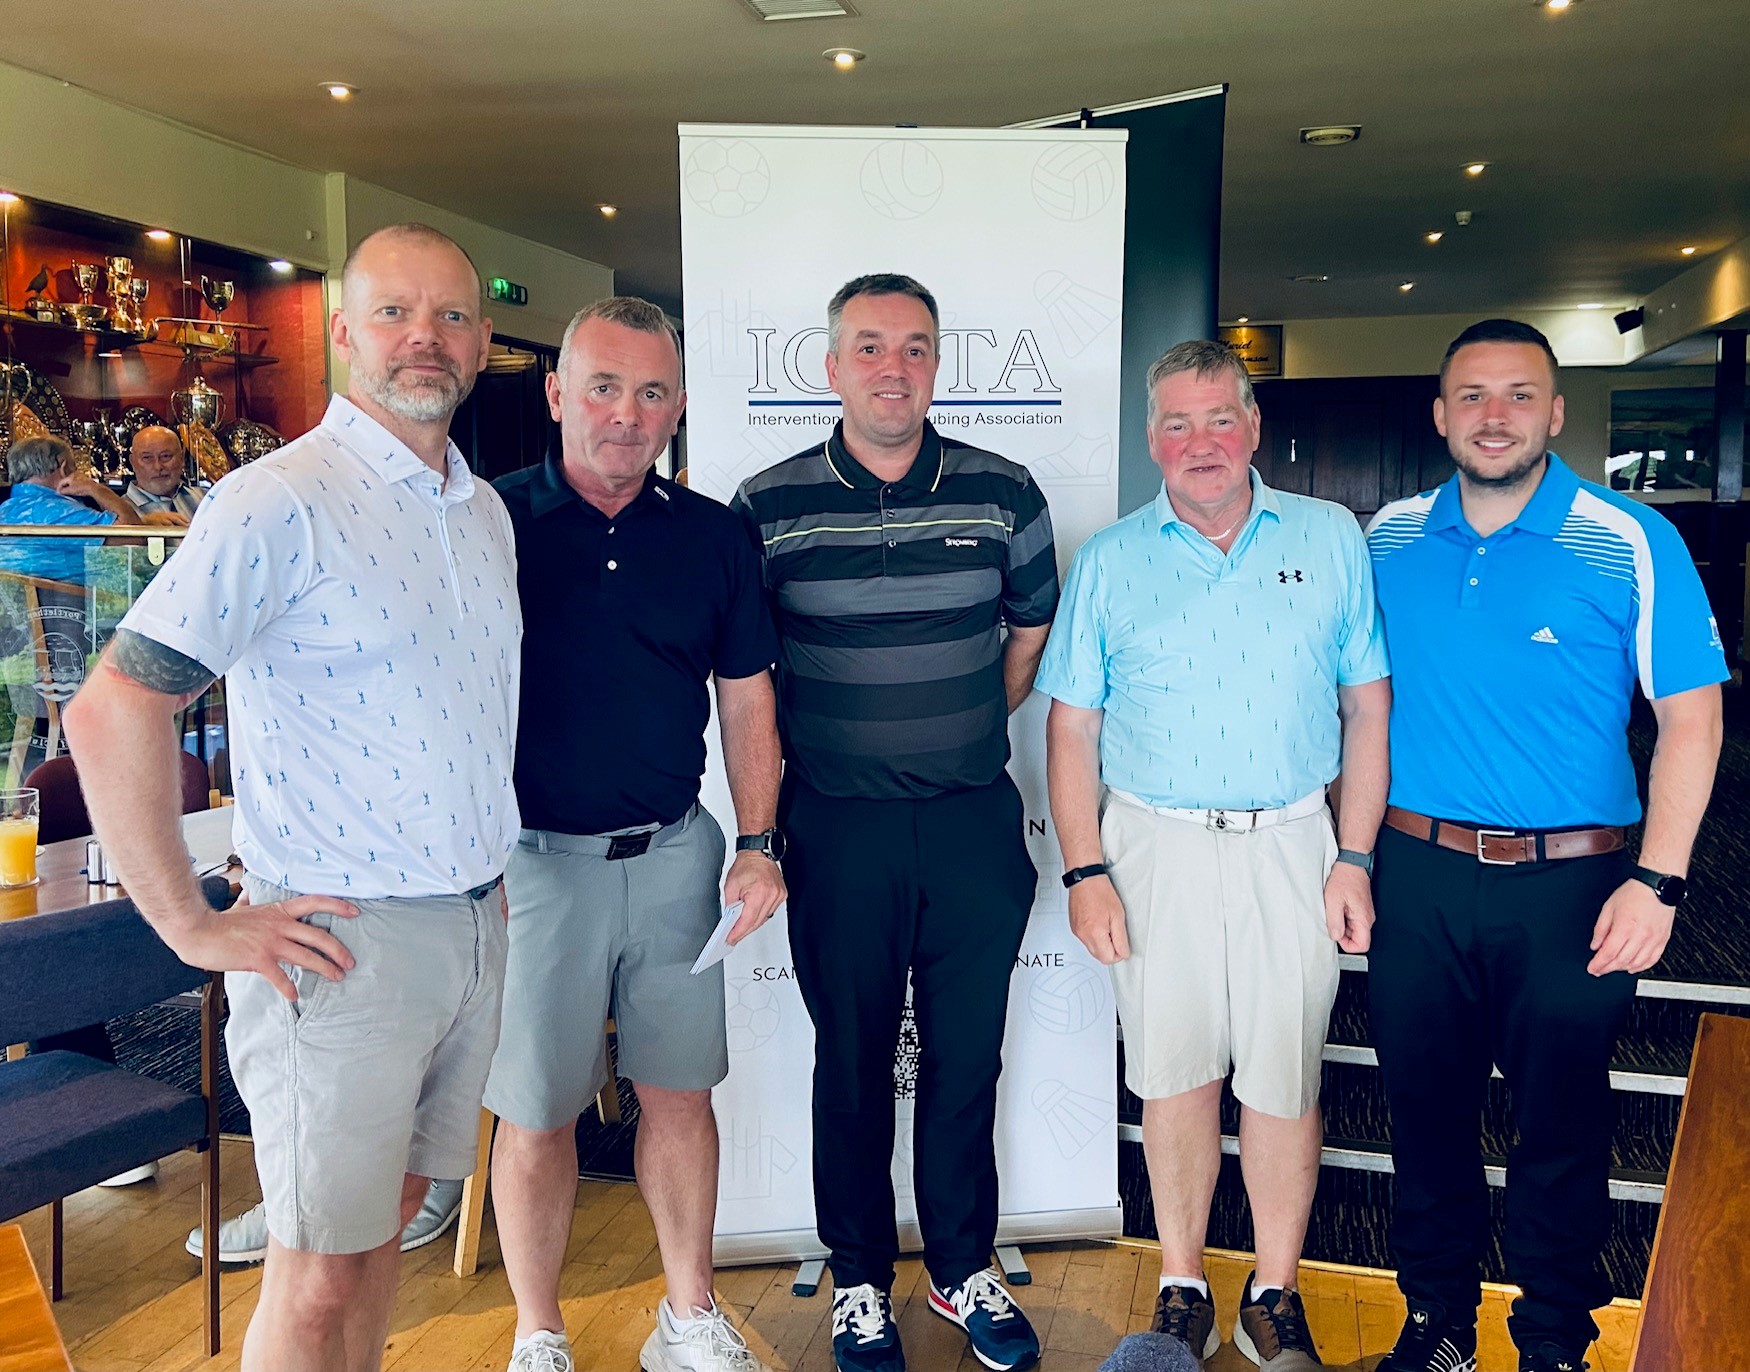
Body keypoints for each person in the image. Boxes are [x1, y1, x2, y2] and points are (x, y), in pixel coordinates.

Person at [63, 222, 520, 1372]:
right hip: (340, 944)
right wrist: (190, 924)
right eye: (395, 311)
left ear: (480, 342)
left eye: (452, 315)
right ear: (345, 331)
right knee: (314, 1274)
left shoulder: (480, 509)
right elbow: (113, 707)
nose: (425, 337)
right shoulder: (278, 499)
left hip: (472, 924)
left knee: (386, 1229)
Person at [1365, 320, 1725, 1372]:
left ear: (1556, 413)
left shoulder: (1628, 538)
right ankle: (1436, 1323)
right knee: (1422, 1114)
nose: (1494, 416)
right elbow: (1356, 703)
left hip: (1573, 884)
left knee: (1561, 1124)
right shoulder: (1386, 537)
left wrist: (1659, 882)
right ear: (1439, 415)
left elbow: (1692, 719)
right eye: (1472, 395)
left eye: (1519, 394)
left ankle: (1554, 1340)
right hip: (1416, 874)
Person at [1036, 339, 1391, 1372]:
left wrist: (1354, 856)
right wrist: (1085, 869)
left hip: (1293, 841)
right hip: (1154, 846)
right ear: (1152, 439)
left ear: (1254, 429)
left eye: (1220, 419)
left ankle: (1273, 1293)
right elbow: (1070, 728)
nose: (1201, 442)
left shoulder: (1329, 536)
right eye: (1178, 424)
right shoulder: (1110, 558)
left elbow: (1367, 708)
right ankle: (1183, 1284)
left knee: (1283, 1078)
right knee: (1173, 1075)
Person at [732, 273, 1058, 1372]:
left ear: (936, 365)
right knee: (852, 1064)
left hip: (971, 824)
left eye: (915, 347)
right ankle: (861, 1280)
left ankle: (963, 1270)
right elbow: (749, 679)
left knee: (965, 1061)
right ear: (830, 367)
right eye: (869, 347)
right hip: (837, 830)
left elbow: (1028, 634)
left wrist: (955, 730)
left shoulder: (1003, 492)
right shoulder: (765, 505)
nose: (893, 367)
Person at [485, 296, 784, 1372]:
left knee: (680, 1095)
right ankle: (539, 1332)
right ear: (556, 393)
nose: (626, 413)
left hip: (674, 856)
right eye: (603, 387)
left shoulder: (713, 534)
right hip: (531, 868)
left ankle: (686, 1317)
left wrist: (759, 842)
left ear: (679, 406)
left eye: (651, 392)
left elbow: (745, 698)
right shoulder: (484, 521)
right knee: (536, 1114)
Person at [0, 434, 168, 582]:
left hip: (23, 607)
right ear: (65, 468)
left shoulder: (6, 509)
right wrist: (93, 488)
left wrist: (146, 521)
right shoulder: (55, 510)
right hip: (76, 605)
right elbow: (134, 536)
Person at [124, 425, 205, 520]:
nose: (158, 467)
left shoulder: (205, 498)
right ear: (133, 463)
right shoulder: (118, 516)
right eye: (147, 458)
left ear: (182, 458)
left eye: (165, 456)